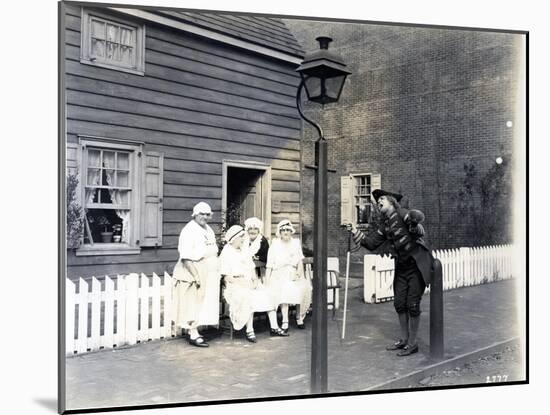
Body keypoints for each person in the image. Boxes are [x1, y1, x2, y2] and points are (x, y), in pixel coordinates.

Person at [348, 189, 434, 356]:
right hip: (401, 267)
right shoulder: (385, 225)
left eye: (382, 199)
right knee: (399, 303)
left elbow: (419, 228)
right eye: (377, 200)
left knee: (412, 305)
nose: (378, 202)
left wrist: (415, 224)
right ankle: (403, 340)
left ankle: (413, 343)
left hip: (416, 265)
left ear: (392, 202)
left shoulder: (403, 214)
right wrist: (354, 231)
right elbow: (372, 243)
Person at [219, 225, 288, 341]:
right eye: (241, 237)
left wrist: (255, 281)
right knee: (247, 297)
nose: (243, 239)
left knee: (267, 293)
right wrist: (242, 283)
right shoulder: (227, 252)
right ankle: (249, 330)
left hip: (248, 281)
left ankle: (274, 327)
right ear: (234, 238)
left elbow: (251, 268)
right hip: (234, 285)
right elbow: (226, 277)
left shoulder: (244, 250)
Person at [172, 202, 220, 348]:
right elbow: (186, 257)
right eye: (202, 214)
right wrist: (196, 276)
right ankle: (193, 333)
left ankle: (197, 330)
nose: (204, 217)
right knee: (192, 303)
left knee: (203, 302)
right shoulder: (189, 230)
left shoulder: (207, 228)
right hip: (193, 269)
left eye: (207, 214)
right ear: (195, 214)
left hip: (207, 270)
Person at [265, 220, 312, 334]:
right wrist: (267, 280)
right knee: (284, 288)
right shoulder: (275, 244)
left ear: (291, 232)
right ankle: (285, 320)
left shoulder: (295, 243)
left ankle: (299, 317)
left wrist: (298, 274)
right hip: (278, 273)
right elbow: (269, 265)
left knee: (303, 288)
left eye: (288, 230)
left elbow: (300, 262)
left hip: (292, 272)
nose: (286, 232)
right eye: (283, 230)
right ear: (279, 232)